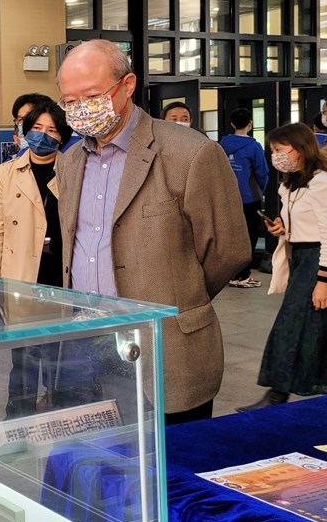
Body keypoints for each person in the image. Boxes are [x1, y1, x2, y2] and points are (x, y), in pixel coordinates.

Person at [54, 40, 250, 424]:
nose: (80, 109)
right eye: (69, 101)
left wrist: (183, 295)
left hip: (165, 348)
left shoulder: (189, 152)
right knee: (99, 457)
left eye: (92, 96)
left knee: (173, 459)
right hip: (86, 345)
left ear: (127, 85)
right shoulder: (70, 161)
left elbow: (228, 250)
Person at [0, 100, 72, 416]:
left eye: (52, 130)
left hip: (61, 277)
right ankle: (18, 417)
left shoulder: (73, 169)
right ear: (24, 130)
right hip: (22, 276)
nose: (43, 135)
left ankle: (59, 412)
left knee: (60, 357)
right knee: (24, 358)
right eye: (37, 127)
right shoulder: (7, 172)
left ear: (62, 136)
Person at [238, 123, 327, 411]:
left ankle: (277, 394)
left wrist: (323, 279)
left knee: (291, 325)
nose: (275, 155)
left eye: (279, 149)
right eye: (272, 150)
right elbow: (301, 224)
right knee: (311, 326)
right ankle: (281, 392)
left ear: (300, 148)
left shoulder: (321, 182)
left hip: (317, 260)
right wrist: (281, 228)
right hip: (299, 257)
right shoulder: (288, 184)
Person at [220, 107, 269, 289]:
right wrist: (262, 190)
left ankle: (230, 274)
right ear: (250, 124)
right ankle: (244, 275)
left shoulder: (221, 144)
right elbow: (262, 172)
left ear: (232, 124)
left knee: (230, 236)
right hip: (249, 197)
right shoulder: (254, 146)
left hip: (226, 197)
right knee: (249, 236)